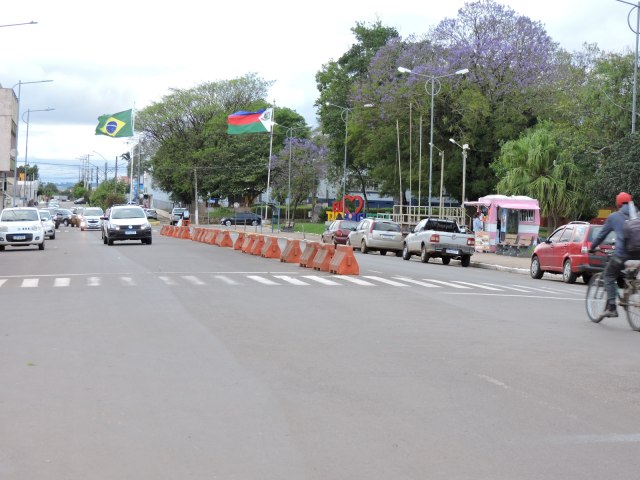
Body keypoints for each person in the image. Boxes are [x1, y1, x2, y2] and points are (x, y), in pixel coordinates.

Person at [589, 192, 634, 318]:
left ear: (618, 203)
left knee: (609, 276)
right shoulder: (637, 215)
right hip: (638, 256)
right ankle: (628, 294)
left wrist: (592, 247)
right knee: (629, 277)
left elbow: (601, 235)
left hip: (622, 254)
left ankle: (612, 308)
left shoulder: (614, 217)